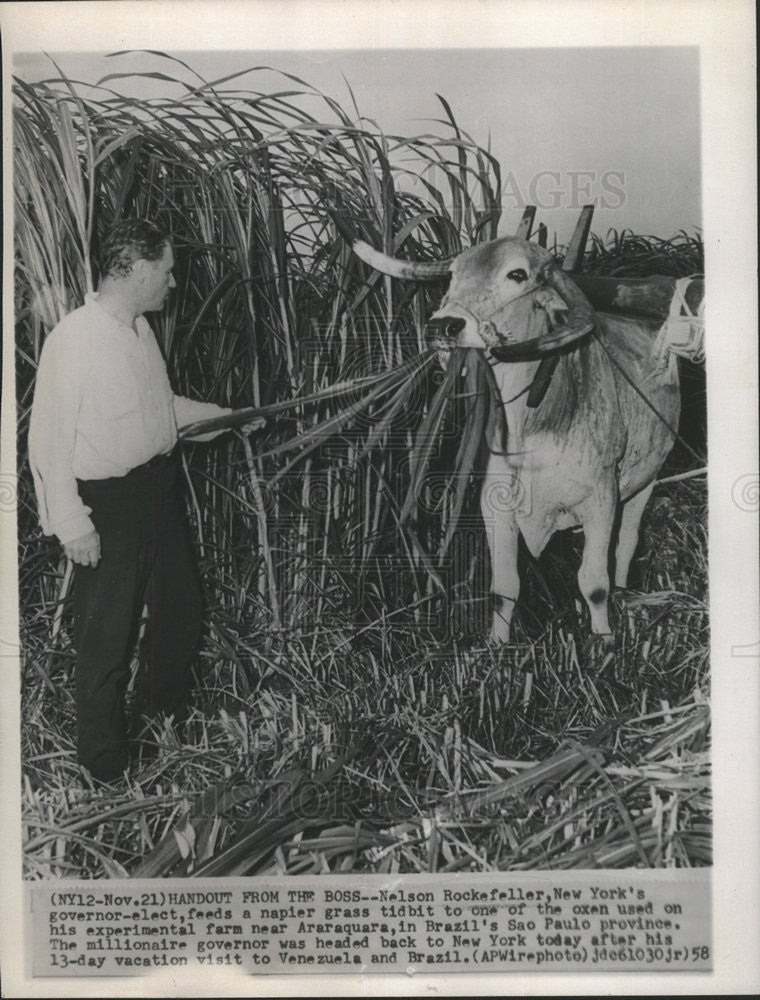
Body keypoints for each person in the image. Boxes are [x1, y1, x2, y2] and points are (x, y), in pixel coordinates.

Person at [28, 219, 261, 783]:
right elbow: (48, 442)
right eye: (167, 270)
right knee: (106, 637)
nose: (174, 283)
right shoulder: (75, 339)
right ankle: (104, 770)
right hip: (106, 505)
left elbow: (163, 412)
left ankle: (159, 736)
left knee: (181, 615)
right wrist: (72, 524)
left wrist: (229, 420)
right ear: (131, 270)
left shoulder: (139, 331)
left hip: (158, 492)